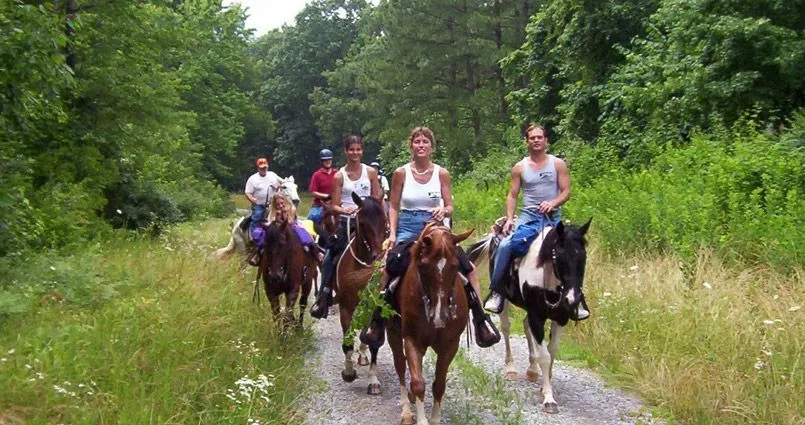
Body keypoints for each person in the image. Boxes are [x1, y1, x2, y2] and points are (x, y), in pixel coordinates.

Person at [360, 127, 500, 348]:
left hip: (437, 229)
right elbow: (393, 206)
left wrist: (444, 211)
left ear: (432, 146)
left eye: (425, 141)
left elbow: (450, 205)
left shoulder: (441, 173)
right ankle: (377, 319)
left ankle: (481, 318)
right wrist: (394, 233)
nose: (421, 145)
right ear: (411, 146)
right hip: (408, 227)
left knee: (468, 268)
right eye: (417, 141)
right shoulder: (401, 173)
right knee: (389, 267)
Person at [483, 124, 589, 320]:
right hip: (529, 219)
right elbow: (513, 195)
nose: (536, 140)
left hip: (553, 221)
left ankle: (577, 297)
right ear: (526, 141)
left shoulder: (558, 164)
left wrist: (553, 203)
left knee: (574, 251)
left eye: (540, 137)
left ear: (546, 140)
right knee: (506, 245)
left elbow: (566, 191)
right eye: (532, 138)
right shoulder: (520, 167)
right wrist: (508, 219)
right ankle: (497, 291)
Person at [310, 135, 383, 319]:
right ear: (346, 151)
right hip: (348, 221)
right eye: (351, 150)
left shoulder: (371, 173)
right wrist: (345, 209)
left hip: (369, 220)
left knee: (386, 250)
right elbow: (334, 205)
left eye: (358, 149)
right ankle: (324, 296)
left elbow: (377, 200)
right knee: (329, 256)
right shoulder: (339, 176)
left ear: (362, 151)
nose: (355, 153)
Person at [245, 157, 283, 265]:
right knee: (257, 216)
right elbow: (247, 192)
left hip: (273, 204)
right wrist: (252, 199)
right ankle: (254, 237)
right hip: (259, 204)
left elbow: (282, 183)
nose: (264, 169)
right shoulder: (253, 179)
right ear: (258, 168)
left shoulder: (272, 175)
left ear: (267, 166)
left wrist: (278, 186)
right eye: (261, 168)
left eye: (265, 167)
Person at [270, 193, 324, 263]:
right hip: (278, 228)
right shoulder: (273, 210)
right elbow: (271, 220)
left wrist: (282, 214)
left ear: (285, 201)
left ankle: (315, 250)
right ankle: (259, 252)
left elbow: (290, 222)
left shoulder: (292, 208)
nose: (280, 206)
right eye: (277, 204)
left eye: (282, 203)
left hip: (292, 226)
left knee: (302, 233)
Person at [308, 149, 337, 225]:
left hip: (335, 203)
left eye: (329, 159)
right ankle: (312, 236)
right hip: (320, 205)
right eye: (325, 160)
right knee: (313, 217)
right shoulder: (317, 175)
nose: (328, 162)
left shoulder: (337, 173)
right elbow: (313, 192)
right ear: (321, 161)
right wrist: (327, 196)